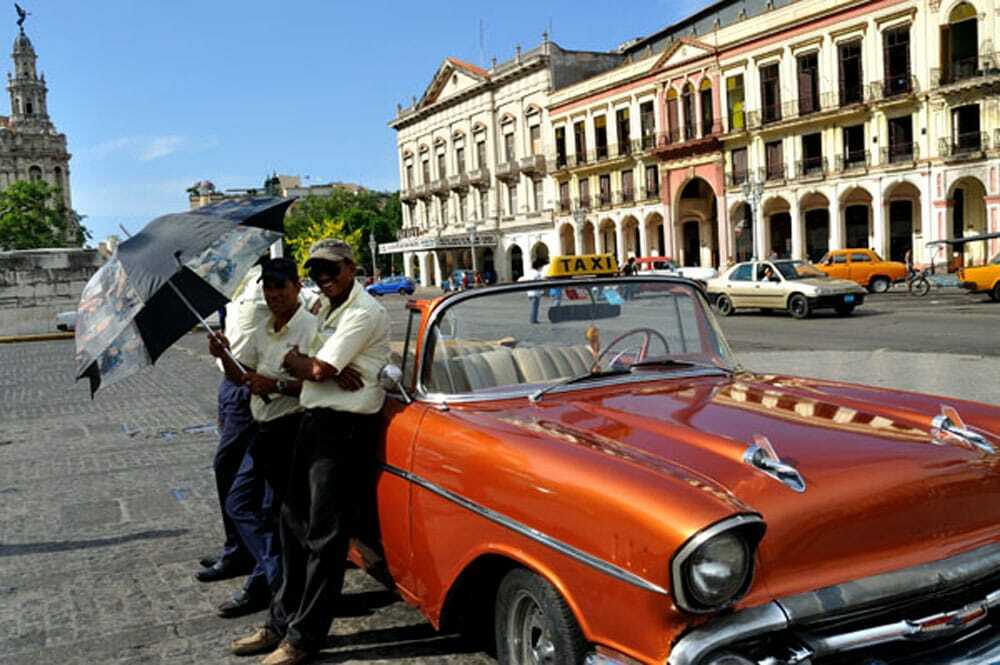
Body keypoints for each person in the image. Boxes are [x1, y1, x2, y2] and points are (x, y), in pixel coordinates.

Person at [230, 239, 390, 665]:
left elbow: (316, 368)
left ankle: (304, 638)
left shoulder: (362, 311)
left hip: (343, 429)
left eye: (331, 269)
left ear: (352, 268)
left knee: (324, 537)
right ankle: (281, 621)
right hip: (312, 421)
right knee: (291, 526)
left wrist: (310, 366)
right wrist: (317, 367)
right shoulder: (327, 308)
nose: (325, 277)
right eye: (317, 270)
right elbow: (311, 366)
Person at [208, 258, 318, 618]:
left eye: (280, 289)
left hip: (293, 429)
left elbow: (320, 383)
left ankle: (279, 589)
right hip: (263, 426)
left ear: (297, 287)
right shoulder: (264, 327)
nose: (273, 296)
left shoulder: (311, 327)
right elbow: (243, 375)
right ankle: (274, 578)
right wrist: (224, 354)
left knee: (280, 515)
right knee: (240, 502)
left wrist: (276, 385)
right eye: (268, 289)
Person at [198, 261, 268, 586]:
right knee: (230, 468)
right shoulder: (235, 289)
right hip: (229, 381)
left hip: (247, 383)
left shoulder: (261, 287)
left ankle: (244, 550)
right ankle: (236, 546)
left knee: (230, 468)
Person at [519, 258, 546, 324]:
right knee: (535, 307)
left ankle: (533, 319)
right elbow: (539, 283)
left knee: (533, 306)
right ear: (539, 267)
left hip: (529, 292)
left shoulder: (529, 272)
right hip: (535, 293)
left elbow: (522, 279)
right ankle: (533, 319)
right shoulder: (537, 274)